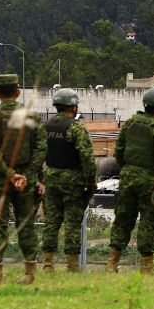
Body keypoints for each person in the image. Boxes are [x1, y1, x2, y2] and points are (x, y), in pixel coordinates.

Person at [0, 73, 47, 284]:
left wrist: (8, 173)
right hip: (25, 180)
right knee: (25, 224)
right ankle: (29, 272)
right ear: (18, 92)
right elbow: (41, 147)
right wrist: (27, 175)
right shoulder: (31, 117)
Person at [106, 86, 154, 274]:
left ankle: (111, 263)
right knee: (147, 222)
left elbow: (119, 153)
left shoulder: (130, 123)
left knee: (122, 219)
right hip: (150, 180)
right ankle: (147, 267)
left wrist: (128, 169)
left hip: (127, 178)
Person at [40, 89, 97, 273]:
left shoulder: (46, 126)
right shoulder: (76, 127)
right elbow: (87, 157)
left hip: (51, 179)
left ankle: (48, 264)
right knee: (72, 222)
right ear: (74, 106)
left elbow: (37, 155)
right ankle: (72, 265)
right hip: (73, 181)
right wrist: (90, 182)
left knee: (51, 222)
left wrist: (42, 177)